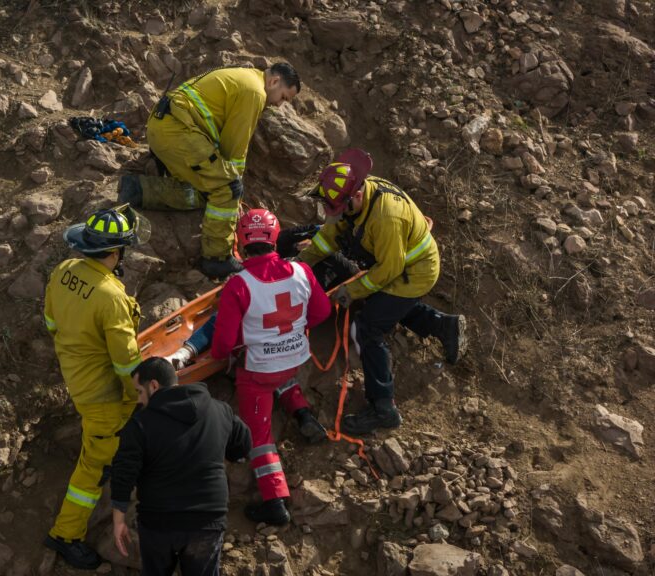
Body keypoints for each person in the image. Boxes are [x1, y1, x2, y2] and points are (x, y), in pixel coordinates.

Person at [166, 208, 332, 525]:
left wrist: (241, 342)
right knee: (279, 371)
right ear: (275, 238)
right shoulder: (301, 271)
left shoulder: (238, 286)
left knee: (259, 435)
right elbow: (322, 312)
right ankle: (302, 412)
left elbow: (223, 346)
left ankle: (275, 501)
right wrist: (293, 330)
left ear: (242, 243)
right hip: (295, 357)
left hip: (260, 373)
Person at [299, 148, 468, 436]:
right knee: (384, 303)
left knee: (368, 327)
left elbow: (388, 271)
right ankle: (444, 326)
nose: (336, 213)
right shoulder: (352, 194)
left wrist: (350, 292)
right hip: (396, 265)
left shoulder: (386, 217)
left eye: (340, 208)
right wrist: (297, 266)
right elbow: (330, 237)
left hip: (414, 272)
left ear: (357, 195)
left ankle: (383, 407)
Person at [118, 63, 302, 279]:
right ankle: (217, 259)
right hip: (179, 133)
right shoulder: (254, 92)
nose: (279, 105)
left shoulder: (245, 77)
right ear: (273, 82)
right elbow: (234, 149)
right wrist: (234, 191)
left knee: (207, 190)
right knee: (227, 189)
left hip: (166, 129)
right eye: (283, 98)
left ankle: (140, 190)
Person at [42, 205, 149, 569]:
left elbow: (52, 323)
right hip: (102, 397)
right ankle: (65, 534)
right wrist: (143, 393)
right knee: (91, 467)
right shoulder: (111, 296)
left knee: (107, 443)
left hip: (76, 376)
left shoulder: (64, 271)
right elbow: (126, 365)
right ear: (116, 252)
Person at [110, 357, 252, 576]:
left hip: (159, 521)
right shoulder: (219, 410)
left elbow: (124, 470)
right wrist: (225, 452)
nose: (139, 399)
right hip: (207, 521)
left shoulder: (140, 422)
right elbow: (244, 443)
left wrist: (118, 519)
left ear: (154, 385)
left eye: (139, 391)